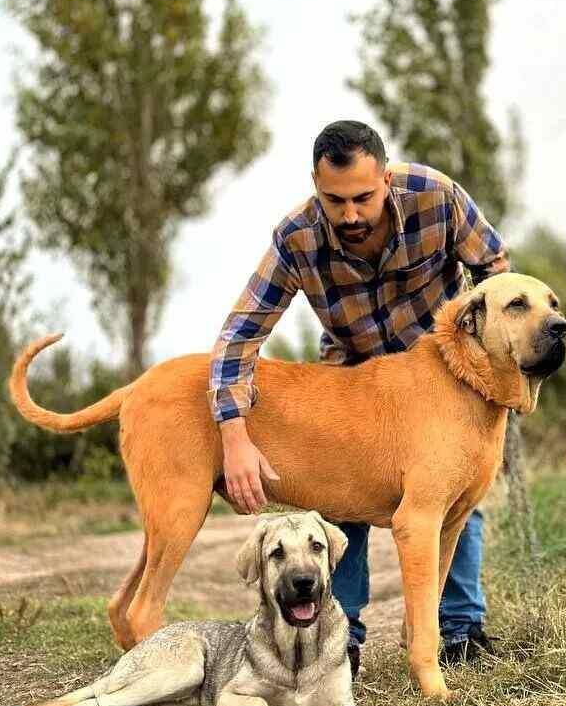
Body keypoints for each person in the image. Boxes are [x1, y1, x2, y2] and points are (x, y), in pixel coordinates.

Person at [208, 120, 511, 677]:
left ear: (387, 180)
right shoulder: (297, 236)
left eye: (363, 198)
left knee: (451, 494)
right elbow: (240, 334)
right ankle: (342, 636)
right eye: (335, 201)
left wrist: (484, 354)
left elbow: (495, 270)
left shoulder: (436, 197)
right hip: (353, 371)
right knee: (341, 501)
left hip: (442, 371)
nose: (350, 215)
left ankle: (460, 631)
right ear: (315, 187)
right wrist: (233, 432)